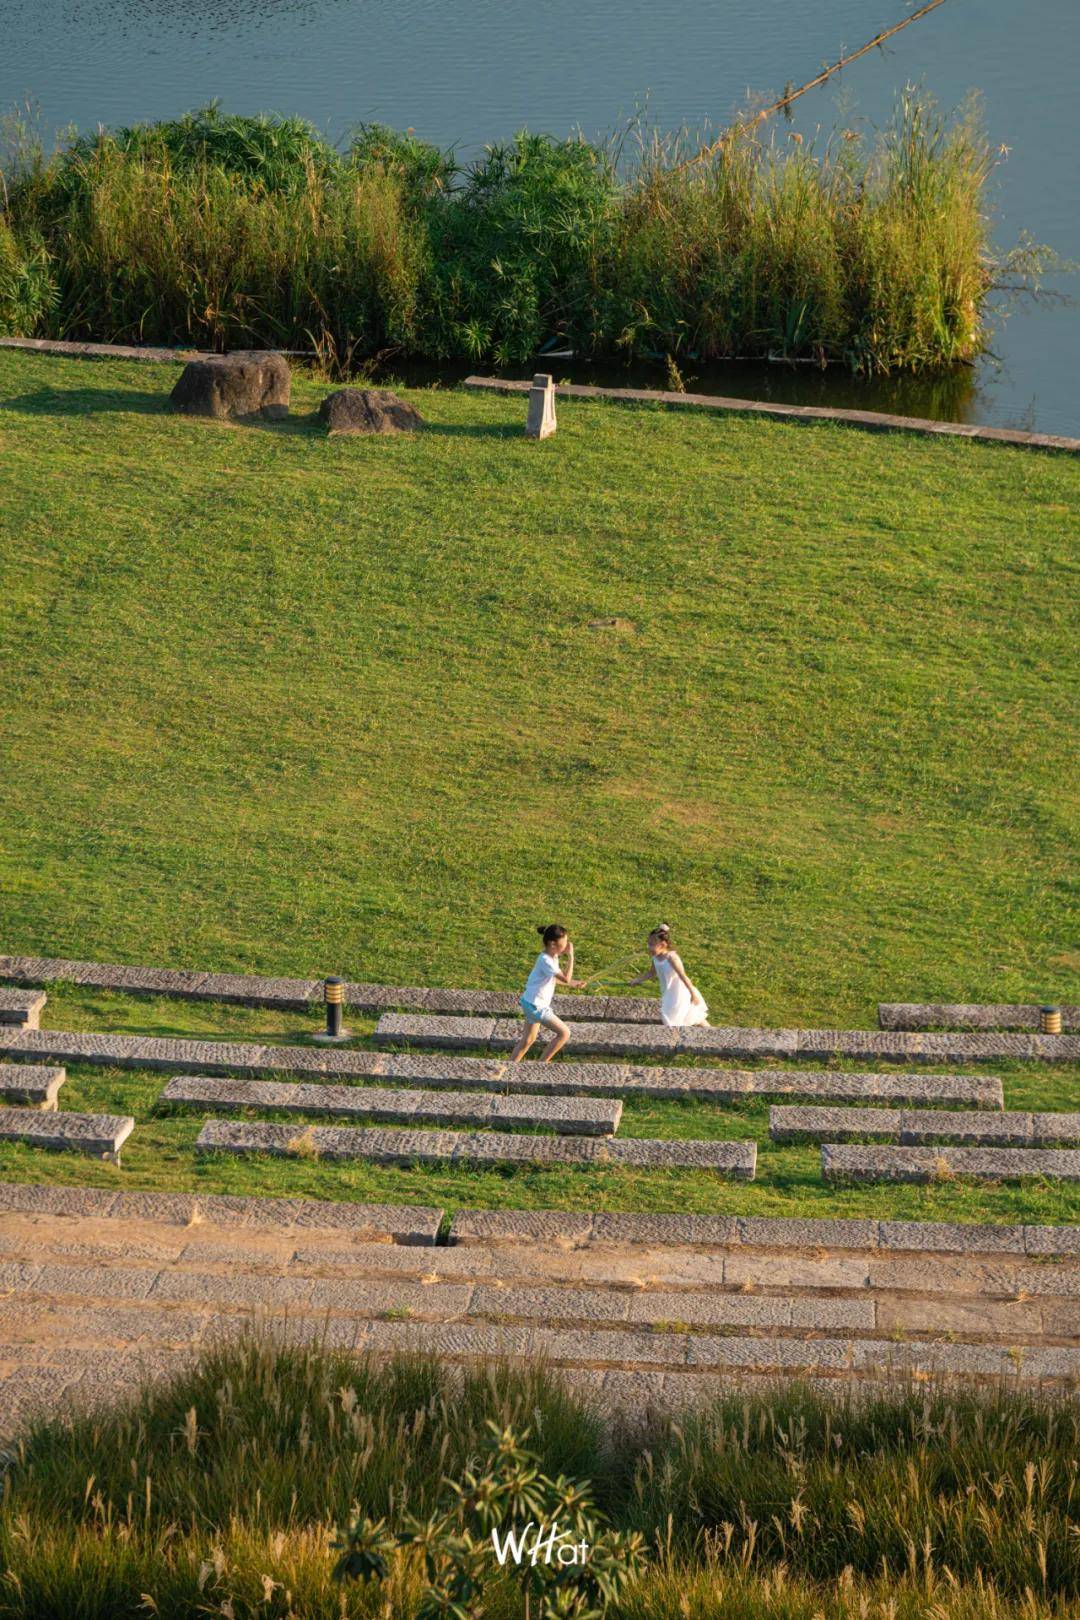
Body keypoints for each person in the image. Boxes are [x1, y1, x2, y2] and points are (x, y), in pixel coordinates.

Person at [510, 924, 583, 1061]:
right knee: (564, 1033)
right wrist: (571, 956)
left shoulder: (551, 957)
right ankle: (541, 1065)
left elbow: (554, 979)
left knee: (528, 1040)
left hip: (530, 1003)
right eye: (564, 942)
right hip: (537, 1007)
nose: (567, 945)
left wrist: (574, 983)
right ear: (552, 944)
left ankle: (508, 1068)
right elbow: (565, 978)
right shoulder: (546, 961)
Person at [627, 923, 709, 1027]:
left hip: (679, 993)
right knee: (691, 1017)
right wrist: (637, 980)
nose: (649, 947)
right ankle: (714, 1035)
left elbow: (683, 976)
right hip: (668, 993)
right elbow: (651, 973)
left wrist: (693, 994)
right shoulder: (655, 958)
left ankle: (712, 1035)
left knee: (675, 1019)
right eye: (648, 943)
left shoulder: (671, 958)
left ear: (663, 945)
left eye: (652, 944)